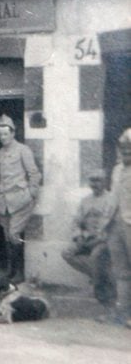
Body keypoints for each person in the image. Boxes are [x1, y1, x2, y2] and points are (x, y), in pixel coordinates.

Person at [0, 114, 41, 287]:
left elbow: (34, 173)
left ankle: (19, 271)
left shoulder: (23, 150)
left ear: (13, 133)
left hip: (20, 199)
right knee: (7, 235)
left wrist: (31, 193)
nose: (3, 138)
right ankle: (10, 270)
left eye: (6, 134)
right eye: (0, 135)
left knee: (14, 234)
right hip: (4, 201)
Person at [61, 169, 117, 316]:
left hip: (103, 240)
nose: (95, 184)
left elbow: (110, 225)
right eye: (92, 181)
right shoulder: (85, 201)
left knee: (96, 256)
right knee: (67, 252)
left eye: (98, 180)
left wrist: (98, 238)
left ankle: (105, 298)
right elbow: (76, 222)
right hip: (86, 238)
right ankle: (97, 276)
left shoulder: (111, 200)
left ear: (105, 182)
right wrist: (79, 236)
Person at [105, 128, 131, 328]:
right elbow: (113, 198)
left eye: (129, 149)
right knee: (121, 271)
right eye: (123, 149)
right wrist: (107, 223)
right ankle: (122, 314)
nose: (126, 153)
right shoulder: (117, 169)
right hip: (116, 225)